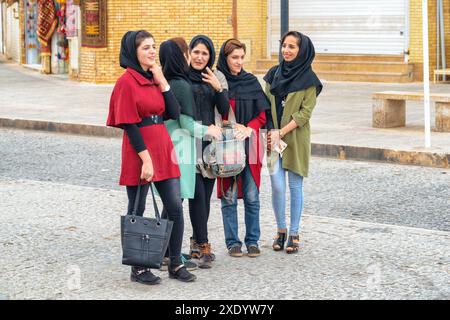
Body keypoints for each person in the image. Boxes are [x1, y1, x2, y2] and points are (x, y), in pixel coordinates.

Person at [107, 30, 196, 285]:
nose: (152, 51)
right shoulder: (127, 81)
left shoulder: (155, 77)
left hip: (162, 147)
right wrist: (146, 160)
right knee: (137, 209)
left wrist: (163, 81)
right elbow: (129, 124)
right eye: (146, 47)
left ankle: (175, 262)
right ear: (133, 52)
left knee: (175, 208)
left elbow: (173, 111)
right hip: (140, 151)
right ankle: (138, 267)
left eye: (153, 46)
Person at [159, 37, 223, 268]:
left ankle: (169, 250)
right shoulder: (181, 84)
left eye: (203, 53)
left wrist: (218, 88)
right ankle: (169, 253)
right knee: (178, 202)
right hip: (184, 148)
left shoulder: (164, 81)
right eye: (189, 52)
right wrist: (210, 130)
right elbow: (186, 123)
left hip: (173, 146)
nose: (194, 57)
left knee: (174, 200)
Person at [264, 31, 322, 254]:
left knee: (295, 186)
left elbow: (304, 114)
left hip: (295, 139)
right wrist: (270, 133)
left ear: (302, 51)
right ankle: (281, 230)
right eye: (284, 46)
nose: (286, 51)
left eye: (292, 47)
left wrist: (282, 132)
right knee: (277, 187)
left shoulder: (310, 80)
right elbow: (264, 104)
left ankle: (294, 233)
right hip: (271, 140)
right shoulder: (273, 74)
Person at [216, 39, 270, 258]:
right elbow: (214, 111)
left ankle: (252, 240)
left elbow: (263, 114)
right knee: (228, 195)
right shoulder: (218, 82)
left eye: (241, 57)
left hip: (251, 144)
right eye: (234, 58)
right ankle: (232, 242)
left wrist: (250, 128)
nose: (238, 62)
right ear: (225, 58)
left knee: (252, 195)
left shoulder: (251, 81)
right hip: (227, 145)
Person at [186, 35, 230, 268]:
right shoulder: (182, 76)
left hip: (210, 146)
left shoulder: (218, 76)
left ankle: (196, 244)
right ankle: (202, 244)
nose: (200, 57)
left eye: (204, 53)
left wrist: (217, 88)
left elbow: (224, 110)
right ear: (189, 53)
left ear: (210, 56)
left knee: (205, 196)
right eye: (196, 52)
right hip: (189, 143)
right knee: (197, 196)